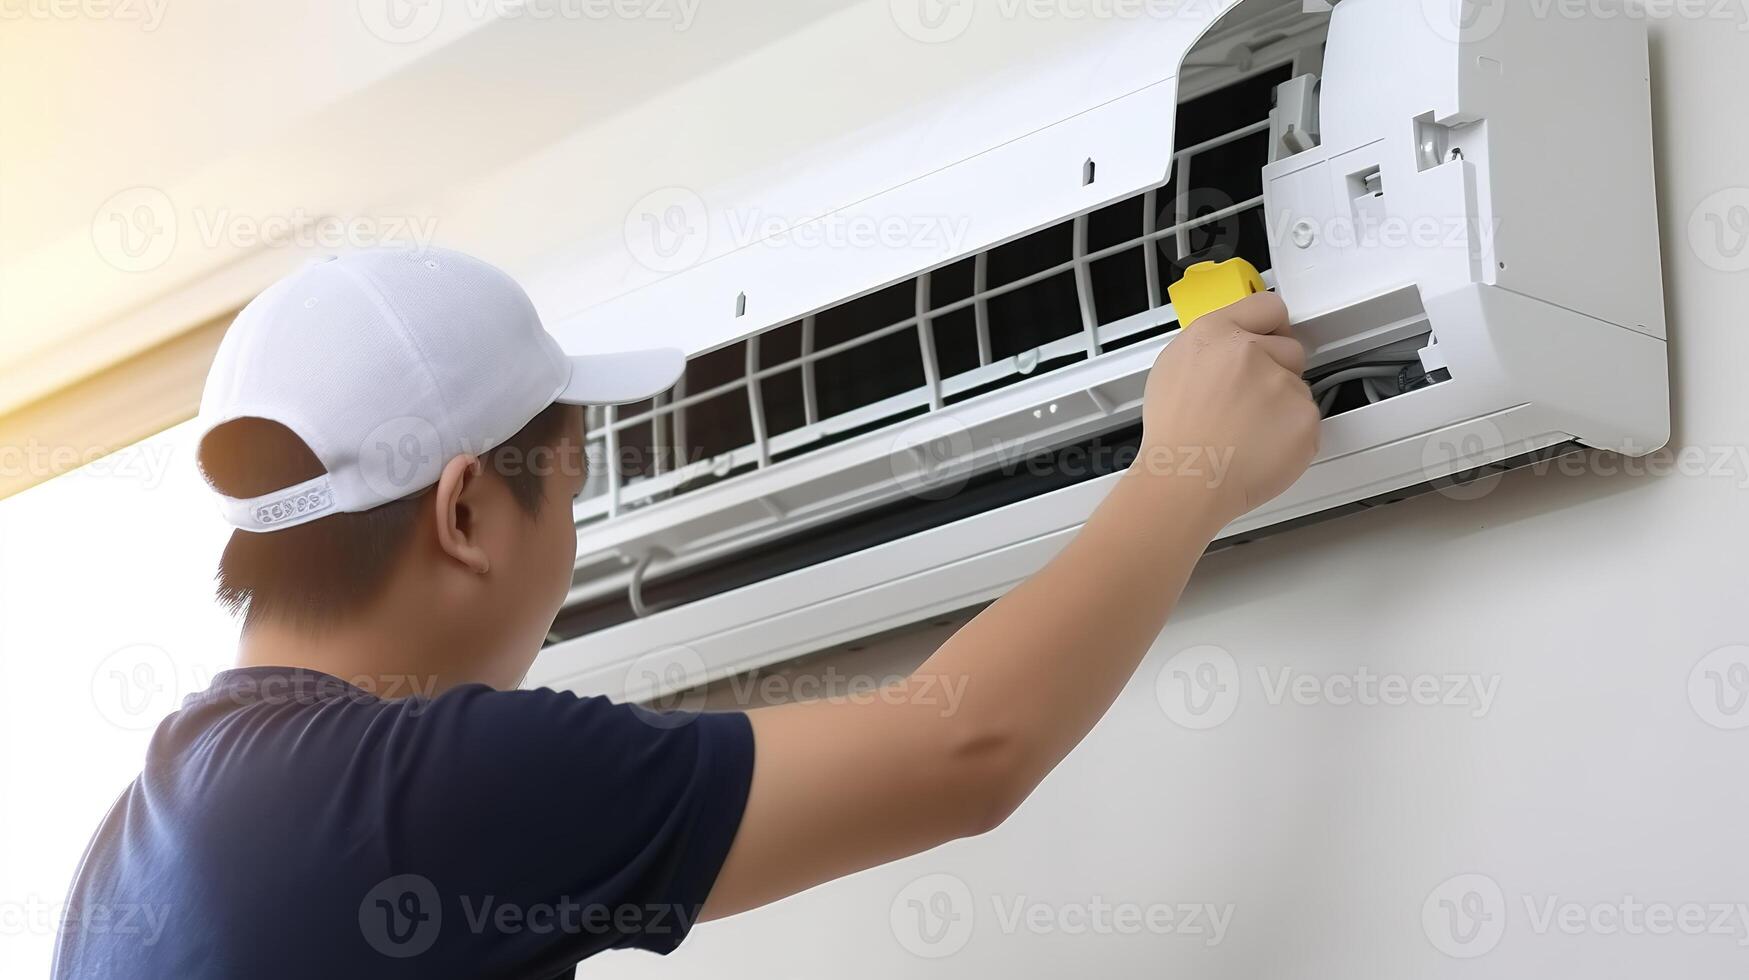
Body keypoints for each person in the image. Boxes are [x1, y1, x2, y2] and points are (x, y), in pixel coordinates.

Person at [53, 247, 1317, 979]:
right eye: (568, 494)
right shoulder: (414, 784)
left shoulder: (126, 854)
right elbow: (964, 746)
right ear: (465, 514)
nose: (567, 549)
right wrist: (1187, 474)